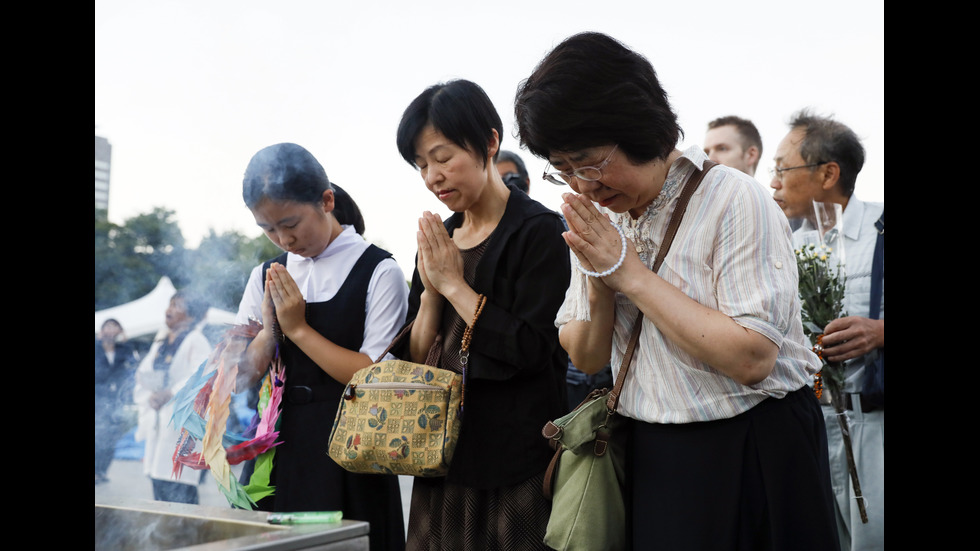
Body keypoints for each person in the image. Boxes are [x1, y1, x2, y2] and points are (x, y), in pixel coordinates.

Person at [514, 32, 839, 550]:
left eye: (589, 161)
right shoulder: (600, 217)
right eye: (565, 170)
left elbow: (751, 356)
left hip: (754, 445)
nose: (582, 185)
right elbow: (587, 351)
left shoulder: (733, 198)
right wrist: (600, 280)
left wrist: (629, 274)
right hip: (654, 450)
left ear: (636, 126)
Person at [393, 79, 570, 550]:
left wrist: (454, 285)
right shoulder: (440, 238)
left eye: (443, 156)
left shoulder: (540, 232)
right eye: (421, 165)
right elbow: (417, 359)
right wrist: (432, 292)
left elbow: (534, 350)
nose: (433, 176)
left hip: (513, 463)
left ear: (490, 142)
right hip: (441, 457)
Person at [234, 142, 408, 551]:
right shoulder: (264, 275)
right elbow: (240, 377)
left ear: (327, 200)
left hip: (352, 451)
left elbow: (372, 375)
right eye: (268, 229)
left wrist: (297, 329)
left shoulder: (379, 270)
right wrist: (267, 333)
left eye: (291, 223)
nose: (283, 238)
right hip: (277, 449)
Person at [771, 109, 884, 551]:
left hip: (873, 421)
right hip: (809, 423)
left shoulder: (880, 228)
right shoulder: (782, 241)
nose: (774, 181)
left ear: (828, 173)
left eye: (782, 168)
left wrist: (879, 331)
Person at [133, 290, 213, 504]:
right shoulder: (161, 341)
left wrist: (171, 392)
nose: (169, 309)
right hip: (160, 419)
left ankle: (187, 534)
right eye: (170, 304)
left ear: (191, 316)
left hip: (180, 424)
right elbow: (144, 373)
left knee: (179, 487)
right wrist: (150, 395)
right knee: (159, 480)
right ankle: (166, 534)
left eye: (177, 305)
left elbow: (202, 376)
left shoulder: (197, 340)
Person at [95, 318, 139, 484]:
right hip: (97, 399)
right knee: (97, 436)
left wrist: (126, 340)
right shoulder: (96, 348)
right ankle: (95, 471)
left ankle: (102, 470)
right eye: (108, 326)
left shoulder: (125, 349)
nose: (111, 330)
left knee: (111, 436)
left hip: (116, 401)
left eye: (115, 326)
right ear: (102, 330)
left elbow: (134, 365)